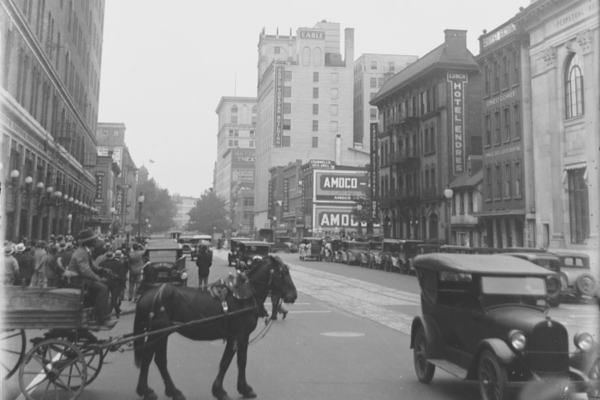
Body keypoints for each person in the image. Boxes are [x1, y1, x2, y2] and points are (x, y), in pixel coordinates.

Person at [66, 229, 114, 326]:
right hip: (78, 281)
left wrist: (102, 270)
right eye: (94, 240)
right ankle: (103, 319)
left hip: (82, 279)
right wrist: (98, 278)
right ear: (89, 241)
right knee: (103, 289)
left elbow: (92, 265)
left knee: (104, 284)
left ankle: (95, 313)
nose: (96, 241)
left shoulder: (85, 251)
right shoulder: (82, 253)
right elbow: (86, 271)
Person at [100, 251, 126, 317]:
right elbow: (122, 275)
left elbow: (100, 273)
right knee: (113, 299)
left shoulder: (102, 263)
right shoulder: (119, 264)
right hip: (116, 283)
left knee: (110, 298)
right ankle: (108, 313)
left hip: (105, 282)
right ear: (113, 256)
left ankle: (117, 310)